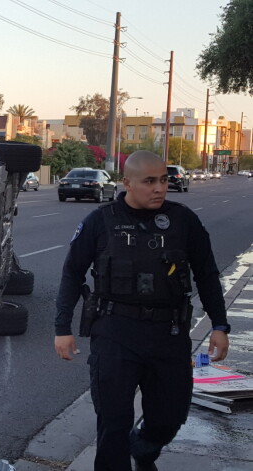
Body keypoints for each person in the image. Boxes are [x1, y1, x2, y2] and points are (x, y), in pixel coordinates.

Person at [54, 150, 230, 471]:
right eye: (149, 181)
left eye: (163, 180)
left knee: (170, 417)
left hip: (168, 334)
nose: (159, 188)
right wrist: (62, 328)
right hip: (115, 332)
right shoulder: (100, 222)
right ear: (127, 183)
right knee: (113, 420)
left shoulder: (183, 220)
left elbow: (206, 273)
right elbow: (72, 273)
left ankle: (144, 448)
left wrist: (219, 324)